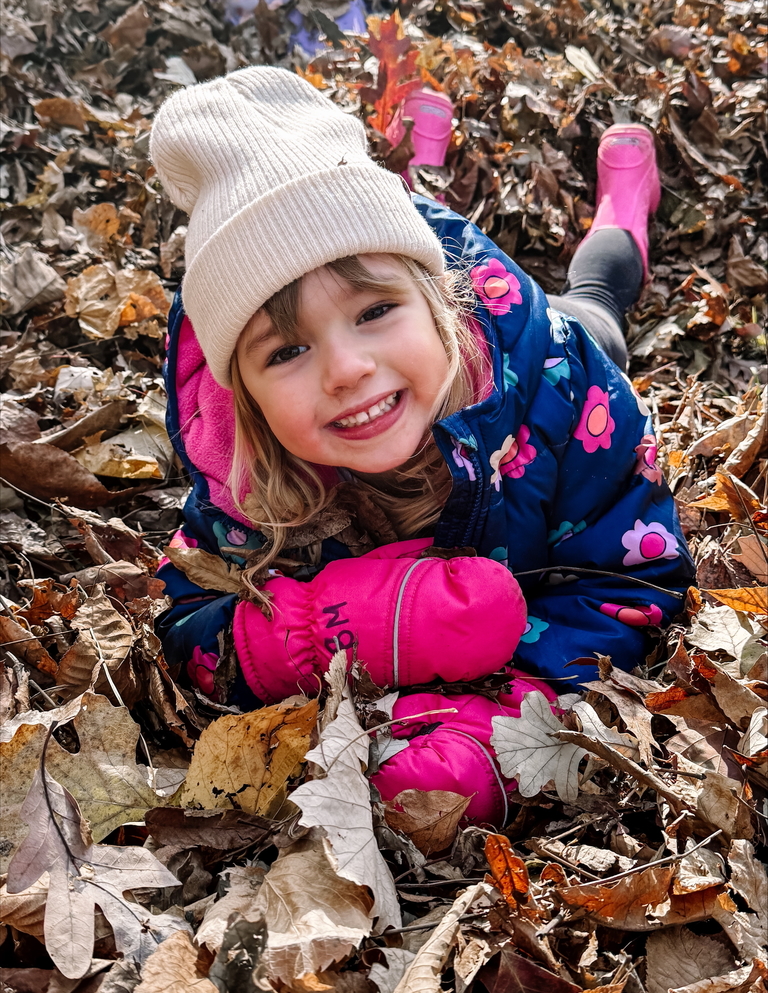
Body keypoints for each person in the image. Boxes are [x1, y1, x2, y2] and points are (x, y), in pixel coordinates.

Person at [150, 67, 694, 826]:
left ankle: (621, 208)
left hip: (554, 331)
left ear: (437, 299)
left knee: (599, 294)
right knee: (358, 257)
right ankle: (411, 171)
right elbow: (186, 623)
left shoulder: (565, 393)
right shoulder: (247, 476)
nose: (346, 369)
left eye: (375, 310)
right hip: (436, 306)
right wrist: (318, 630)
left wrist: (500, 724)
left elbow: (635, 580)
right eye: (285, 352)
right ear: (240, 392)